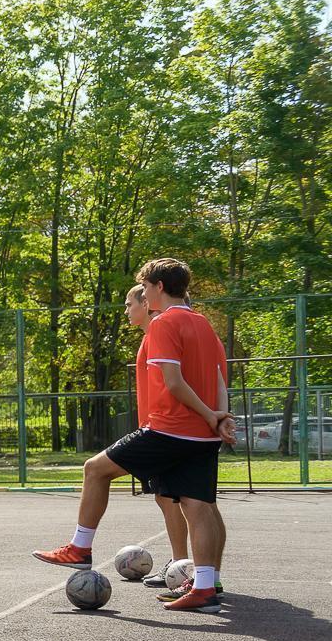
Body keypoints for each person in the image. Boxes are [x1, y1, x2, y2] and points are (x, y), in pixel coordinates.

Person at [34, 258, 233, 612]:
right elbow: (218, 378)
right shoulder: (204, 324)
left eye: (145, 287)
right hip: (202, 435)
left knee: (95, 469)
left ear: (158, 287)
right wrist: (220, 418)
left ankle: (80, 548)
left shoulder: (164, 323)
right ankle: (205, 587)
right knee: (199, 506)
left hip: (169, 429)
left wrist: (209, 414)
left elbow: (173, 383)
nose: (142, 294)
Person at [116, 284, 199, 588]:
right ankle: (183, 565)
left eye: (130, 304)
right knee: (168, 498)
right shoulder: (151, 335)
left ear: (146, 302)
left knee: (175, 499)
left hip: (164, 429)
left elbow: (172, 383)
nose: (127, 310)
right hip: (157, 427)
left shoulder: (158, 333)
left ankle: (182, 565)